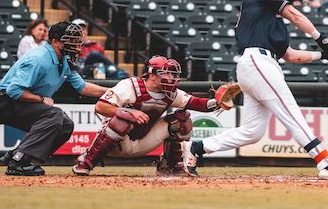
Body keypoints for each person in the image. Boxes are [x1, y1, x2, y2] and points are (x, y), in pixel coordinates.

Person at [182, 0, 328, 180]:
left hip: (260, 65)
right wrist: (320, 38)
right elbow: (295, 14)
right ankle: (326, 164)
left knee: (252, 131)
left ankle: (198, 147)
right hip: (258, 62)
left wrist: (322, 55)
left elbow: (290, 55)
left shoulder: (269, 21)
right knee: (291, 113)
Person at [0, 21, 108, 176]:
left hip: (20, 101)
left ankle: (18, 155)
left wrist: (113, 91)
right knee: (54, 114)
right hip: (4, 101)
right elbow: (13, 90)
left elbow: (83, 87)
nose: (76, 45)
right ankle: (18, 162)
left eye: (77, 41)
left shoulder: (64, 59)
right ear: (55, 42)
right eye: (70, 41)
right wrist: (41, 99)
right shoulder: (39, 58)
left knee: (66, 124)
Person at [72, 56, 232, 176]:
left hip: (143, 141)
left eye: (173, 74)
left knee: (182, 121)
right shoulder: (130, 86)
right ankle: (86, 161)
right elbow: (100, 106)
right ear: (152, 74)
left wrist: (217, 102)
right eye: (166, 74)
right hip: (115, 142)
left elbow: (197, 103)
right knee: (122, 120)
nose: (171, 78)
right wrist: (129, 112)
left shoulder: (170, 93)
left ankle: (169, 166)